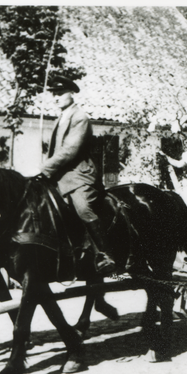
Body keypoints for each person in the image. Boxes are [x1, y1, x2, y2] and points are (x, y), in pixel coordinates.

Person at [39, 75, 116, 275]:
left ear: (71, 93)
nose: (56, 97)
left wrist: (45, 168)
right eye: (53, 94)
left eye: (60, 93)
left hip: (79, 176)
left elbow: (70, 150)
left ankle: (105, 254)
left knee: (83, 208)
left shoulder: (80, 117)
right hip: (59, 176)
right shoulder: (61, 118)